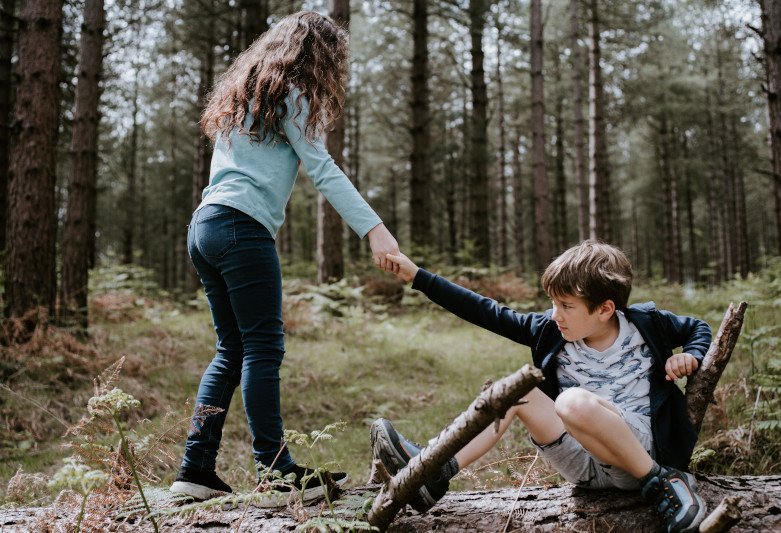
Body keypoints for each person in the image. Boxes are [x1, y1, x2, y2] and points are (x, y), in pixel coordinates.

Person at [169, 11, 399, 507]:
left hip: (204, 226)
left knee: (232, 349)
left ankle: (195, 469)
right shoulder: (293, 94)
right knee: (262, 348)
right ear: (315, 56)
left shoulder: (244, 97)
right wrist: (376, 231)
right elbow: (324, 169)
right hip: (239, 229)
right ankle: (276, 474)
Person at [371, 241, 710, 533]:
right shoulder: (550, 329)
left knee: (572, 402)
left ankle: (663, 482)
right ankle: (435, 470)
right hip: (584, 465)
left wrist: (690, 356)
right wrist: (417, 276)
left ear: (606, 309)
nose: (555, 314)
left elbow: (698, 328)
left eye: (566, 306)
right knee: (516, 390)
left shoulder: (646, 325)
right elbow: (484, 310)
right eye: (552, 303)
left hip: (638, 453)